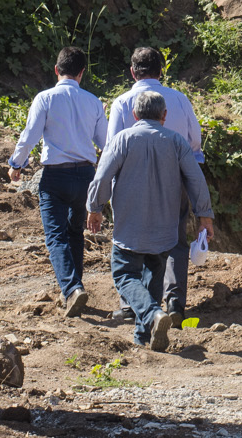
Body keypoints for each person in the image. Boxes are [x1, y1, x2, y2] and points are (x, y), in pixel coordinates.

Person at [86, 90, 214, 352]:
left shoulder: (123, 140)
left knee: (124, 275)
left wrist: (95, 207)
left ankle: (153, 314)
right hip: (164, 228)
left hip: (129, 228)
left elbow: (102, 177)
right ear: (164, 116)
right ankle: (145, 336)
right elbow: (196, 180)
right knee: (155, 275)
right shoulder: (177, 142)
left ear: (134, 115)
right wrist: (204, 216)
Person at [105, 46, 203, 322]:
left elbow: (111, 147)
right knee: (175, 240)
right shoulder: (179, 100)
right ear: (162, 70)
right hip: (175, 179)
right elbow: (195, 142)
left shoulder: (123, 103)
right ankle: (174, 304)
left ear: (132, 72)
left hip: (132, 181)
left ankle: (133, 305)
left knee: (130, 242)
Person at [7, 46, 106, 316]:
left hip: (55, 175)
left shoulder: (45, 98)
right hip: (86, 175)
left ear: (56, 70)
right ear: (82, 73)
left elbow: (30, 136)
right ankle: (76, 288)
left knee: (55, 236)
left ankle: (72, 289)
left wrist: (17, 164)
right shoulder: (93, 102)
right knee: (75, 233)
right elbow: (106, 143)